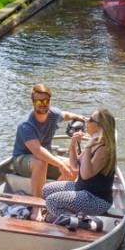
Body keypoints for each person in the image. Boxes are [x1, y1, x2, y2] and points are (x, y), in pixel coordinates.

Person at [12, 84, 87, 218]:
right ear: (33, 102)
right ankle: (37, 208)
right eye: (39, 101)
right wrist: (60, 164)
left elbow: (66, 115)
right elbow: (37, 151)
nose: (43, 104)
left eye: (46, 101)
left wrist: (80, 117)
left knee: (74, 167)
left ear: (50, 101)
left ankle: (51, 199)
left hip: (44, 157)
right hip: (22, 159)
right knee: (41, 161)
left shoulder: (54, 114)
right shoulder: (26, 125)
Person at [42, 108, 117, 224]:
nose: (86, 121)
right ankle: (67, 218)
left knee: (53, 201)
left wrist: (87, 148)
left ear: (99, 126)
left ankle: (83, 222)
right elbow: (75, 166)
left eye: (90, 120)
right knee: (47, 189)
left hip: (96, 199)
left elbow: (86, 175)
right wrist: (72, 145)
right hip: (81, 188)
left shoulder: (103, 148)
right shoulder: (94, 141)